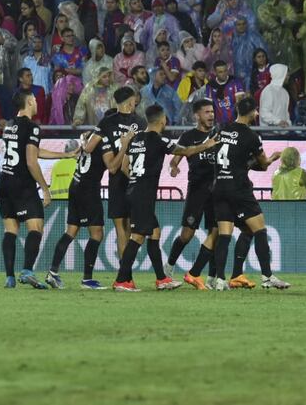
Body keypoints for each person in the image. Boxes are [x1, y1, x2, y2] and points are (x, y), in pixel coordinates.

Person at [113, 103, 217, 291]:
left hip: (133, 191)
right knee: (137, 237)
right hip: (143, 195)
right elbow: (185, 151)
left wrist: (137, 180)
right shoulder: (159, 140)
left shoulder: (135, 140)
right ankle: (122, 280)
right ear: (162, 120)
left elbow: (123, 167)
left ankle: (162, 279)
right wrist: (206, 145)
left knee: (154, 233)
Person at [191, 96, 287, 292]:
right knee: (259, 230)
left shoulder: (221, 129)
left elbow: (214, 148)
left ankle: (220, 280)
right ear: (251, 113)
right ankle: (267, 276)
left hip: (219, 187)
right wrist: (274, 157)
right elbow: (263, 163)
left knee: (224, 235)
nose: (257, 114)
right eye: (256, 111)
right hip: (239, 188)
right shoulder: (252, 136)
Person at [0, 90, 76, 289]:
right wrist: (45, 188)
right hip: (21, 182)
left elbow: (31, 150)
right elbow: (31, 161)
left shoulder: (9, 125)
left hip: (4, 179)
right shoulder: (32, 127)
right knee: (36, 227)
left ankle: (9, 277)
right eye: (35, 99)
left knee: (11, 229)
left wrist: (64, 155)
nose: (37, 102)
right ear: (30, 102)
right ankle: (27, 271)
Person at [46, 122, 136, 290]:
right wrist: (124, 147)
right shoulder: (105, 141)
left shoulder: (91, 137)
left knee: (71, 231)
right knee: (97, 234)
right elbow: (112, 167)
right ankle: (87, 279)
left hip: (76, 183)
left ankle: (53, 272)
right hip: (88, 189)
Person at [83, 86, 145, 259]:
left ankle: (124, 275)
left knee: (121, 229)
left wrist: (85, 141)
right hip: (135, 179)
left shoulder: (106, 122)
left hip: (116, 180)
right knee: (138, 229)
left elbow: (88, 148)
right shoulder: (140, 123)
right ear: (131, 102)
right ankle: (126, 274)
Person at [165, 99, 219, 287]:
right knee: (187, 235)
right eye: (207, 112)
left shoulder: (219, 134)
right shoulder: (188, 137)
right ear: (197, 115)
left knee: (216, 233)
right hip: (196, 190)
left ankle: (212, 277)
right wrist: (173, 168)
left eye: (212, 112)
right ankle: (169, 266)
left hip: (217, 192)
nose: (211, 115)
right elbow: (175, 160)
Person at [205, 59, 246, 124]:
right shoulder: (210, 86)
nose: (224, 74)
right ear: (215, 73)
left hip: (235, 122)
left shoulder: (235, 82)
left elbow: (240, 102)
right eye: (220, 72)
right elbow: (207, 106)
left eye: (225, 71)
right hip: (219, 124)